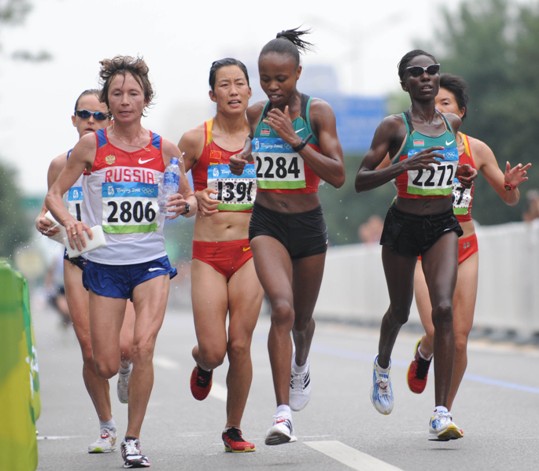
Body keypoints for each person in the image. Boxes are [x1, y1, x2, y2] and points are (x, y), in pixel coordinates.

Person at [44, 56, 197, 468]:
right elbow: (55, 195)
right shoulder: (92, 146)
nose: (125, 100)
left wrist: (188, 203)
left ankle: (132, 439)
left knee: (144, 345)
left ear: (146, 98)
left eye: (133, 93)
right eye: (117, 93)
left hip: (150, 263)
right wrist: (70, 221)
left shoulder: (164, 148)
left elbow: (191, 197)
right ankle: (119, 382)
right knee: (104, 362)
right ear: (108, 101)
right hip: (104, 267)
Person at [230, 28, 345, 446]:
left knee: (302, 319)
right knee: (281, 309)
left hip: (308, 225)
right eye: (265, 78)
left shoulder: (318, 113)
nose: (273, 87)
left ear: (298, 73)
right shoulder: (256, 112)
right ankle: (282, 415)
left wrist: (295, 141)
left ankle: (301, 363)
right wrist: (244, 159)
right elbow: (252, 149)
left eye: (281, 78)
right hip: (267, 223)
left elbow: (336, 175)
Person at [355, 50, 477, 441]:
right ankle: (383, 363)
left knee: (443, 310)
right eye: (416, 73)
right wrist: (401, 166)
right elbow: (360, 180)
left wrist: (463, 173)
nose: (426, 77)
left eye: (432, 71)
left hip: (443, 223)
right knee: (400, 310)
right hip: (403, 224)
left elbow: (450, 166)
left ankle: (441, 412)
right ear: (405, 82)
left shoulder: (451, 122)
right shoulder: (394, 127)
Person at [406, 73, 531, 411]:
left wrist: (510, 185)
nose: (438, 109)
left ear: (462, 111)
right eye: (433, 103)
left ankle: (442, 410)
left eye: (446, 103)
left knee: (460, 337)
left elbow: (509, 199)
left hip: (464, 245)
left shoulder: (475, 149)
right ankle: (424, 352)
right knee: (436, 328)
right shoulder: (412, 141)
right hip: (422, 244)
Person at [35, 89, 136, 454]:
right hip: (77, 260)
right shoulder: (58, 164)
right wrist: (43, 222)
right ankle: (107, 426)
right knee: (90, 350)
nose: (91, 122)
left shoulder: (121, 159)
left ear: (110, 121)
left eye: (99, 116)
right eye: (84, 115)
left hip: (120, 258)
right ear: (74, 119)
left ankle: (127, 365)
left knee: (126, 346)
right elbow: (50, 204)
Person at [178, 58, 264, 453]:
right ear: (213, 94)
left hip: (251, 250)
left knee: (241, 345)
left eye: (239, 83)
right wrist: (192, 197)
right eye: (224, 85)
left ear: (250, 91)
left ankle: (233, 428)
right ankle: (203, 362)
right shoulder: (196, 140)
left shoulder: (264, 138)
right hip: (208, 254)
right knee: (215, 348)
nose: (233, 90)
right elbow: (168, 190)